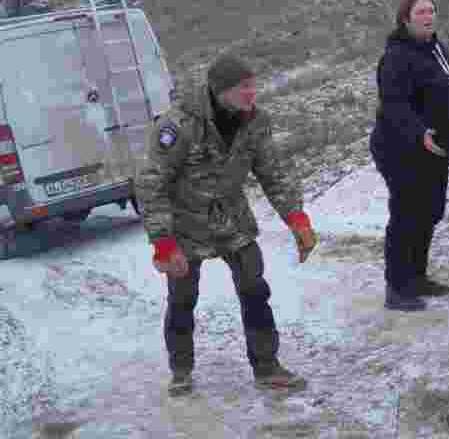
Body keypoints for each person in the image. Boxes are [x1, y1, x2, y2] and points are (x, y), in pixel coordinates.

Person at [136, 53, 318, 396]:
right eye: (243, 88)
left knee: (254, 289)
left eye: (253, 85)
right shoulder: (178, 126)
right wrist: (163, 242)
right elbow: (151, 183)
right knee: (182, 299)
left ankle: (267, 367)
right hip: (185, 226)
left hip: (233, 220)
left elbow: (272, 172)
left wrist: (296, 218)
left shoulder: (255, 121)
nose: (252, 93)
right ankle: (181, 369)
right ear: (220, 92)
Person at [370, 0, 449, 312]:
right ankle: (396, 287)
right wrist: (419, 132)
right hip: (401, 149)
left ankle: (417, 277)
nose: (428, 16)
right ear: (405, 18)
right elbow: (394, 105)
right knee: (407, 215)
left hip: (434, 149)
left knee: (430, 212)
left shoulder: (435, 47)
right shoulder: (397, 56)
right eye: (421, 12)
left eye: (431, 10)